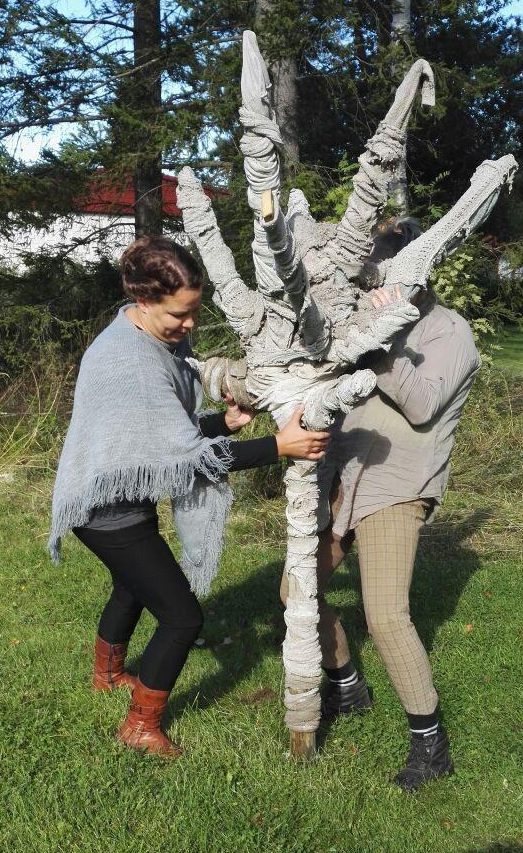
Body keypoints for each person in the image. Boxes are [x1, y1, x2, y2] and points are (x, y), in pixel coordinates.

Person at [49, 235, 329, 758]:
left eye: (195, 312)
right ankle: (139, 725)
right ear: (144, 300)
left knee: (133, 586)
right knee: (182, 617)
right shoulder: (128, 361)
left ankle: (107, 677)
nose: (190, 325)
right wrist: (279, 446)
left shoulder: (155, 342)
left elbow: (160, 435)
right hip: (104, 508)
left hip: (120, 496)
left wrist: (220, 421)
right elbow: (187, 458)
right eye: (180, 313)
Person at [283, 231, 480, 791]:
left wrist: (385, 335)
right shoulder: (363, 316)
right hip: (343, 477)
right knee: (297, 591)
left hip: (398, 484)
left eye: (384, 274)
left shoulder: (450, 331)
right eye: (372, 275)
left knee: (387, 615)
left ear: (421, 273)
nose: (375, 284)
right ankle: (346, 683)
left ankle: (430, 740)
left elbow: (420, 404)